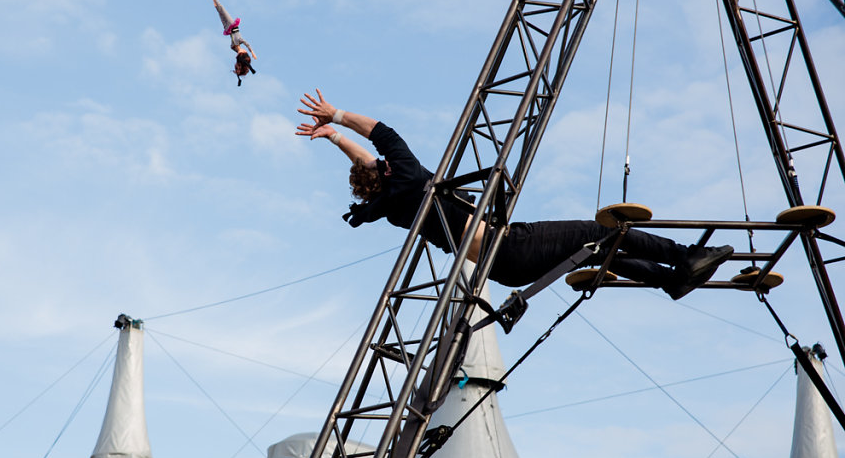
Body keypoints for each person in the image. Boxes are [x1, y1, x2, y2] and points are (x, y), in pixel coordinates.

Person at [296, 89, 734, 300]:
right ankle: (683, 257)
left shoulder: (388, 207)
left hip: (500, 270)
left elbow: (364, 163)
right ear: (381, 167)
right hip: (512, 245)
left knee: (595, 251)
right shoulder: (407, 174)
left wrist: (336, 140)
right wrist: (335, 118)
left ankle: (669, 280)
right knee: (601, 231)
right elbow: (379, 133)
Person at [209, 0, 257, 86]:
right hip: (231, 26)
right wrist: (251, 54)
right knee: (221, 10)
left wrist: (239, 74)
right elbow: (246, 49)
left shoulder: (235, 46)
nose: (243, 50)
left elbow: (242, 55)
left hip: (228, 27)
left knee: (220, 11)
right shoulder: (237, 44)